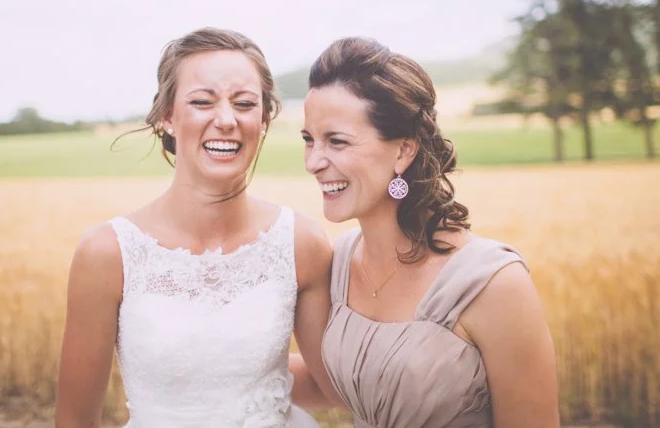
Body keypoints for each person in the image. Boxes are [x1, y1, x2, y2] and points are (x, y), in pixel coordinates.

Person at [55, 28, 336, 427]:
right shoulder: (107, 253)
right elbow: (74, 420)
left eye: (244, 104)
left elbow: (337, 384)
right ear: (168, 116)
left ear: (264, 119)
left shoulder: (301, 243)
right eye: (203, 102)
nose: (226, 120)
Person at [299, 37, 560, 428]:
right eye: (309, 140)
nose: (313, 162)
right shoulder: (337, 265)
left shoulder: (494, 284)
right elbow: (336, 386)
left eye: (336, 141)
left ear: (403, 151)